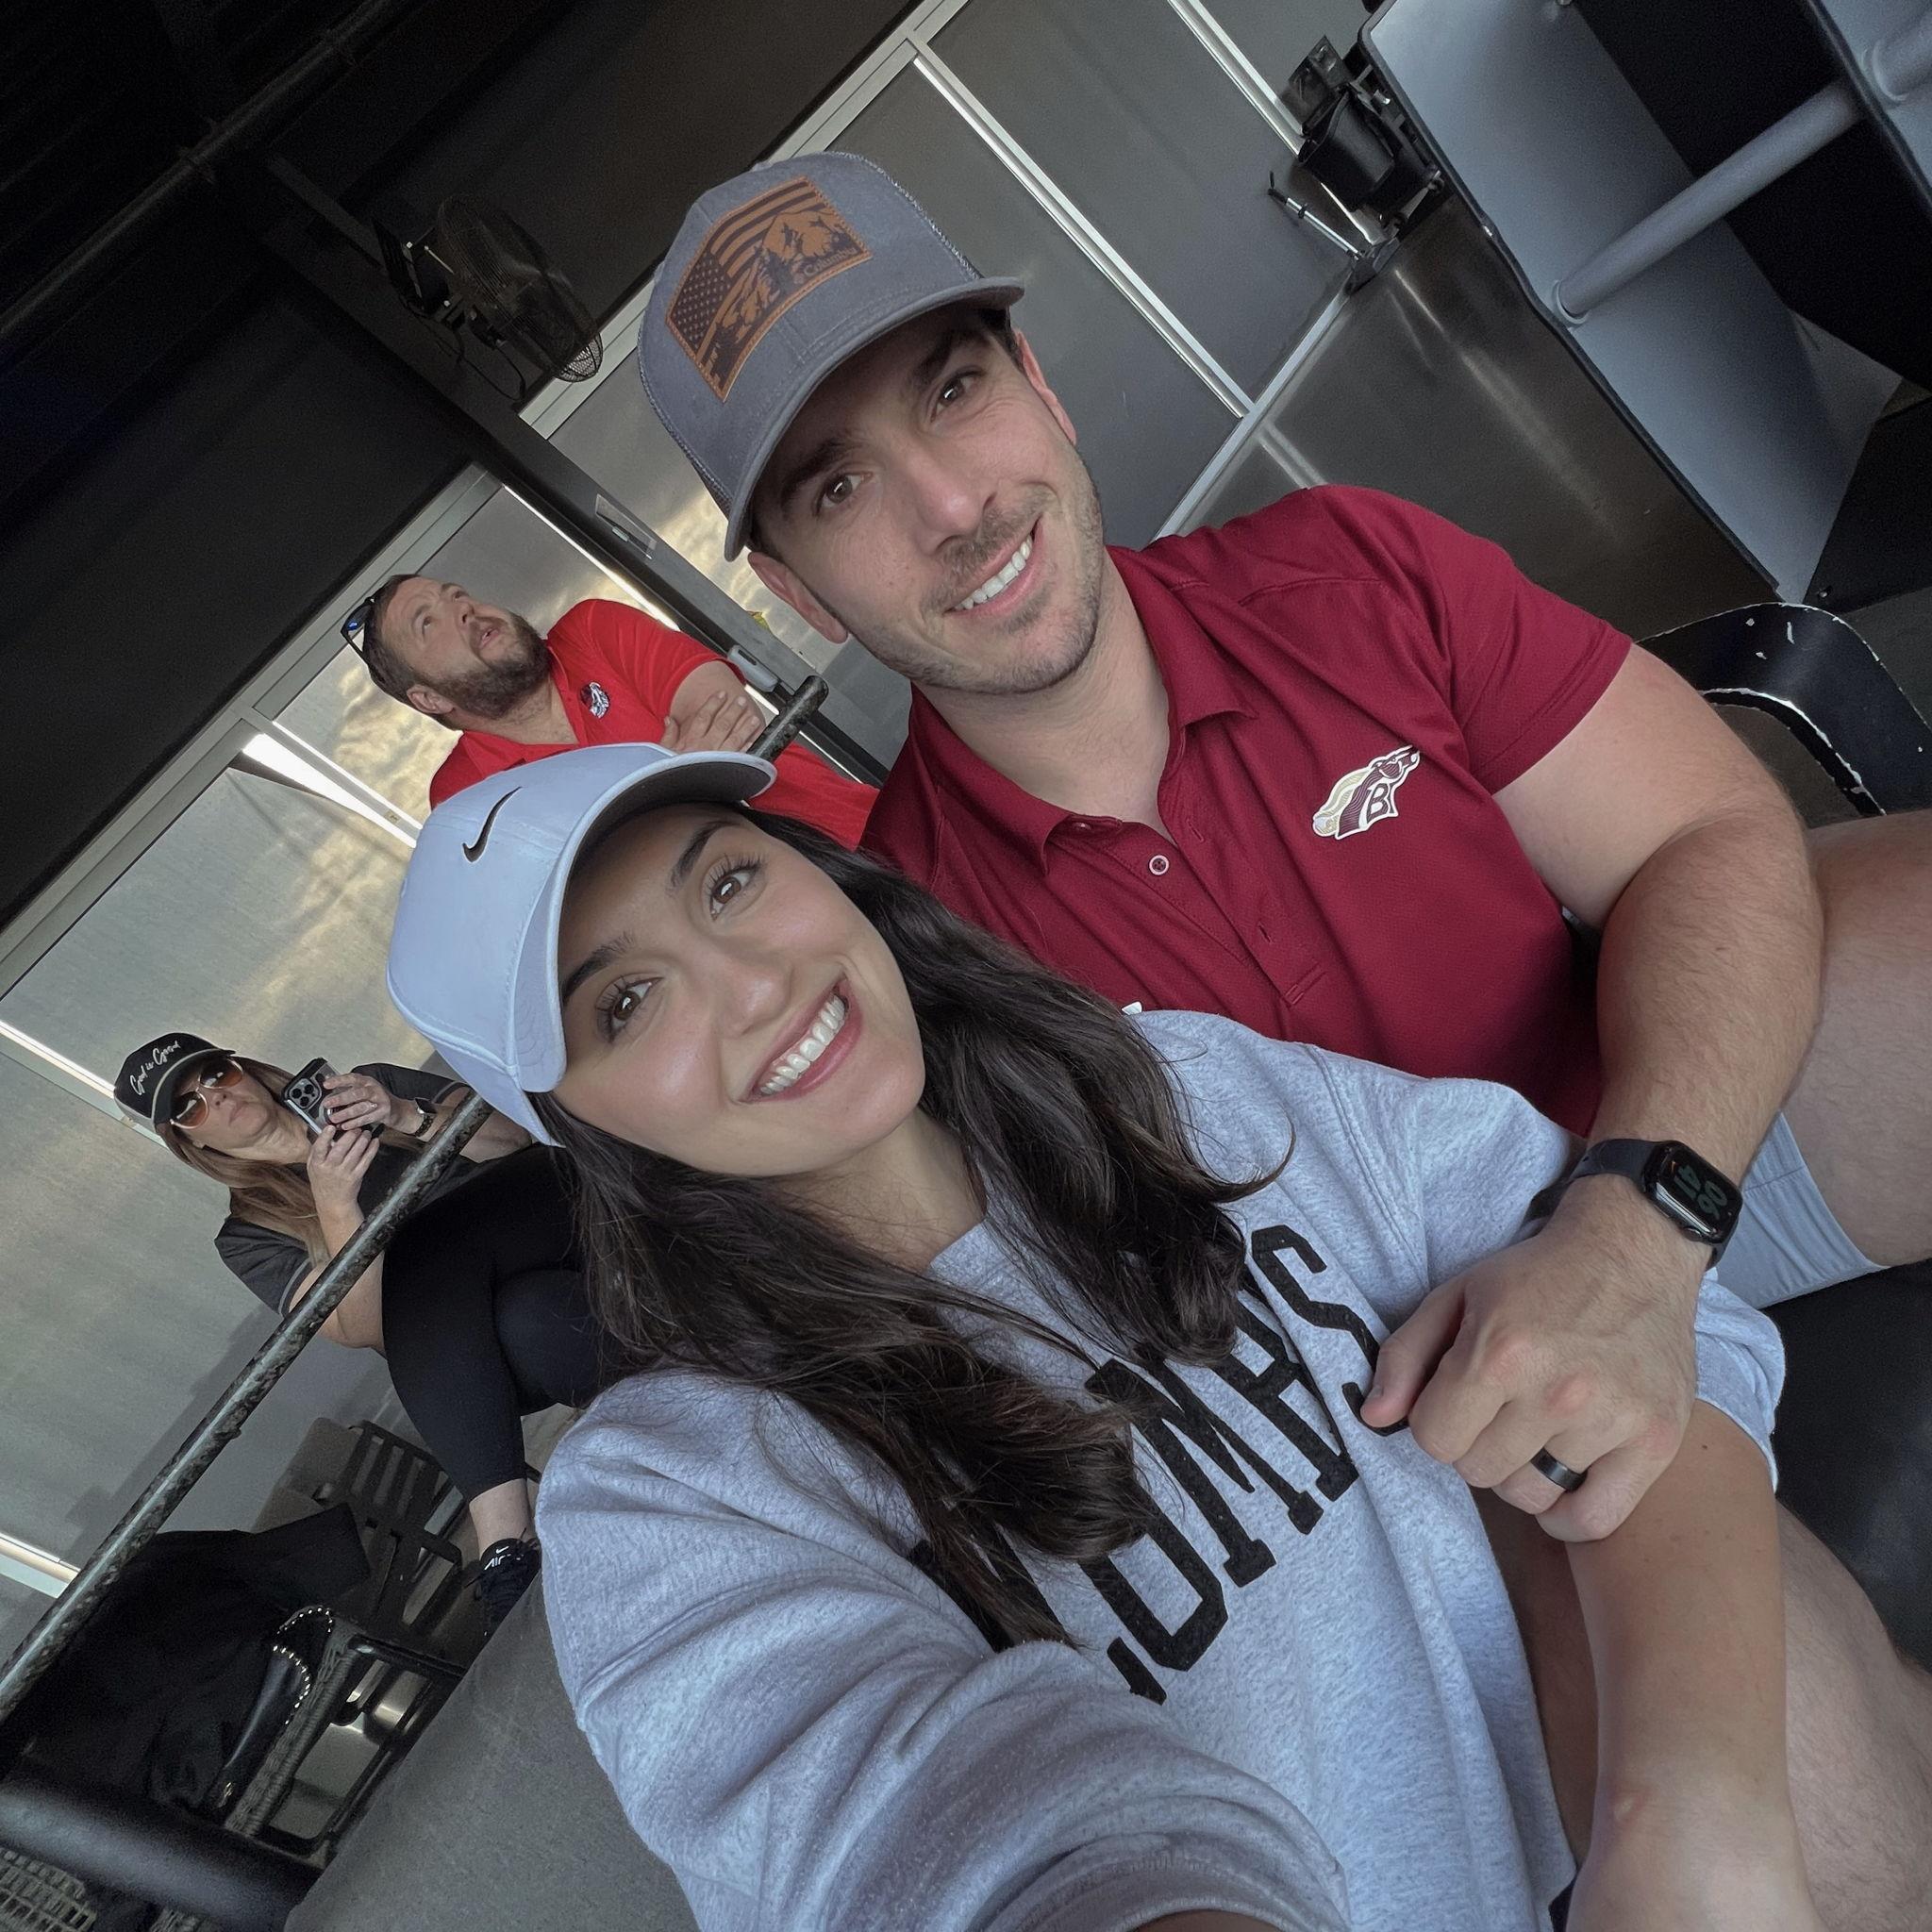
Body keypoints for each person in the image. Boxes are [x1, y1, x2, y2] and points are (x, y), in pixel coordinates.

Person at [385, 744, 1932, 1932]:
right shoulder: (665, 1496)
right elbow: (938, 1847)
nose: (752, 984)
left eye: (727, 883)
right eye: (626, 1003)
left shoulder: (1170, 1081)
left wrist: (1692, 1816)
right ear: (581, 1124)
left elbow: (1633, 1308)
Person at [634, 151, 1932, 1544]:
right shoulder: (904, 947)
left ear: (1037, 383)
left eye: (953, 390)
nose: (952, 508)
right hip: (1404, 1422)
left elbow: (1700, 827)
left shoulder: (1344, 570)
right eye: (841, 488)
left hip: (1653, 1154)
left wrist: (1635, 1227)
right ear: (796, 590)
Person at [114, 1033, 602, 1630]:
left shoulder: (366, 1086)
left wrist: (403, 1114)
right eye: (190, 1107)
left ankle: (503, 1542)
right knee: (532, 1322)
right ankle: (669, 1385)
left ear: (244, 1068)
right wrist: (338, 1208)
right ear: (188, 1140)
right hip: (501, 1348)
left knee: (419, 1251)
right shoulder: (248, 1234)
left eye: (217, 1075)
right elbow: (364, 1327)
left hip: (563, 1222)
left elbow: (514, 1140)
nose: (215, 1098)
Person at [341, 575, 875, 843]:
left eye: (455, 594)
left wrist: (629, 824)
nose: (461, 608)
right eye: (427, 621)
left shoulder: (591, 628)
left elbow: (727, 713)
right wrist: (682, 769)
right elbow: (577, 900)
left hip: (872, 842)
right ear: (430, 699)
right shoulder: (463, 796)